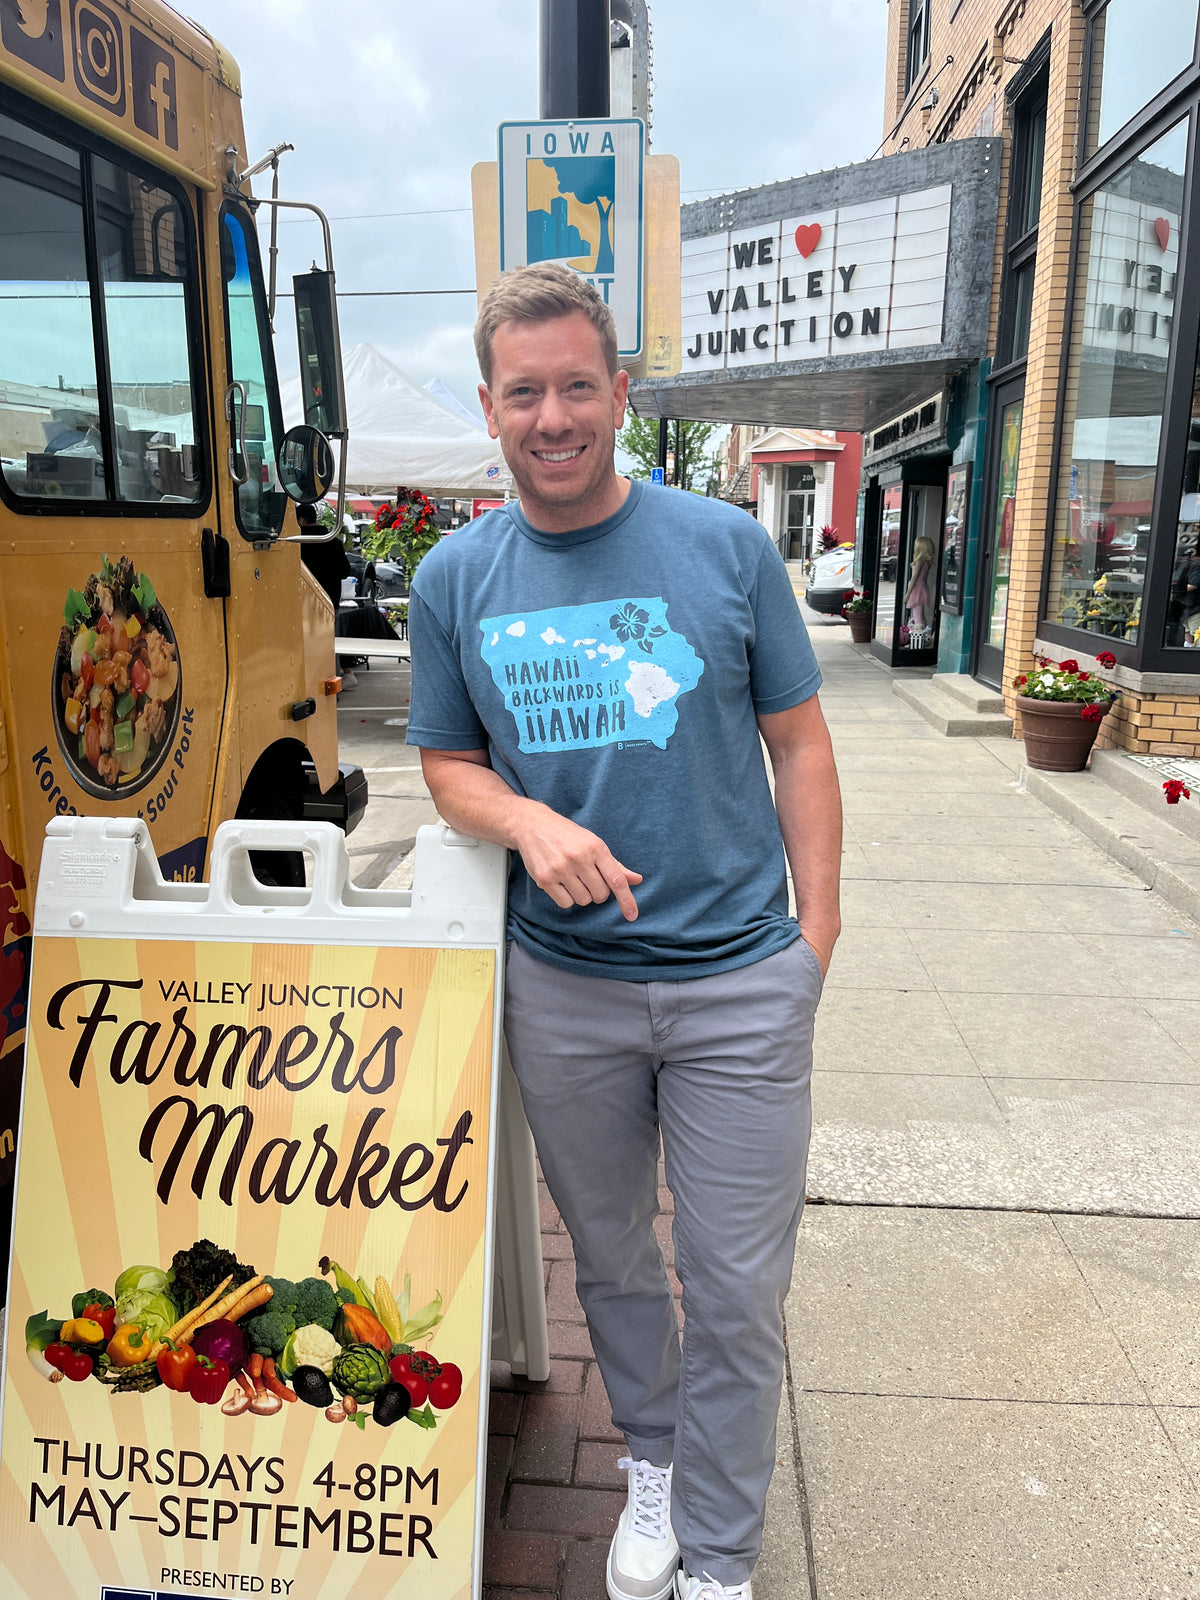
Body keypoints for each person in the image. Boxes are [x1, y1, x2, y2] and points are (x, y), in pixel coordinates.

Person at [406, 263, 842, 1600]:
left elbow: (801, 745)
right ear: (491, 405)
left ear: (621, 395)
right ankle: (649, 1459)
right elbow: (445, 761)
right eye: (524, 391)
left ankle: (718, 1555)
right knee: (612, 1262)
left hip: (735, 988)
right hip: (569, 992)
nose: (552, 415)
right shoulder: (454, 576)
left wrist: (811, 941)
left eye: (576, 386)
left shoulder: (723, 546)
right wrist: (528, 825)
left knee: (735, 1285)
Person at [297, 502, 351, 612]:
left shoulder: (295, 543)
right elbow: (345, 572)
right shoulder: (334, 543)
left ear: (302, 521)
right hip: (329, 604)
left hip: (301, 604)